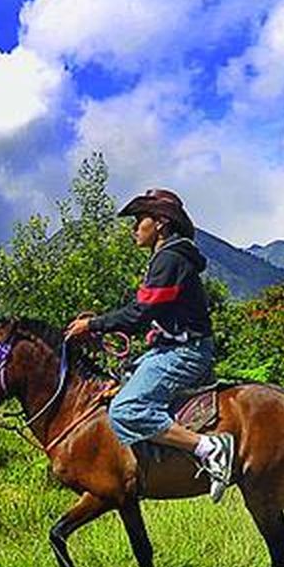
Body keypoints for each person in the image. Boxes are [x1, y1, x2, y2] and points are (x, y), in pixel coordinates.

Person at [64, 188, 235, 502]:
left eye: (139, 220)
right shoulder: (169, 256)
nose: (133, 228)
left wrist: (91, 324)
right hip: (170, 350)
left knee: (126, 409)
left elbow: (141, 313)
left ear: (160, 223)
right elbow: (148, 313)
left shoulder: (169, 258)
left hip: (184, 354)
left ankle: (207, 447)